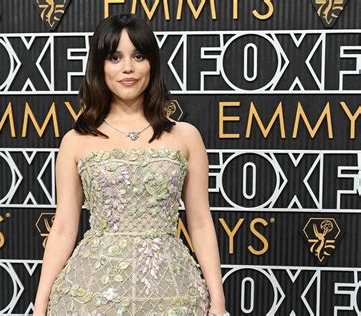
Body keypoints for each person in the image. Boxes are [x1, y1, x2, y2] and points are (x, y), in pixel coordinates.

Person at [33, 13, 228, 315]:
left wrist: (218, 299)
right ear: (100, 66)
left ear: (152, 63)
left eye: (138, 55)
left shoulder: (185, 137)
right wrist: (40, 304)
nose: (128, 68)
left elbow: (201, 222)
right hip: (91, 296)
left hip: (171, 293)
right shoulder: (76, 140)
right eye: (114, 57)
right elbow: (62, 228)